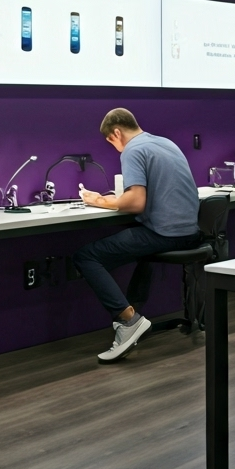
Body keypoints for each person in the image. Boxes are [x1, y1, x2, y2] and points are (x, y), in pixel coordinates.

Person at [73, 108, 200, 363]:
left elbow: (136, 202)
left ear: (116, 133)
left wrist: (98, 200)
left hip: (165, 234)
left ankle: (129, 321)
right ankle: (133, 314)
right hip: (192, 232)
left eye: (111, 142)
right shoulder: (165, 143)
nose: (115, 148)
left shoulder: (132, 149)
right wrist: (117, 199)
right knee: (139, 248)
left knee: (86, 257)